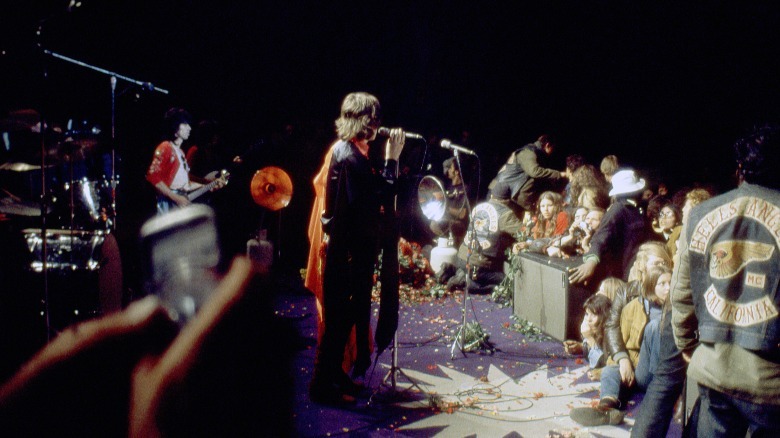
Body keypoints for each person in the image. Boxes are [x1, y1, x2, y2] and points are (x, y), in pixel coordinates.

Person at [671, 124, 780, 437]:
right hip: (770, 384)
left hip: (714, 367)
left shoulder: (702, 212)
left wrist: (689, 345)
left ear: (740, 169)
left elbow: (681, 293)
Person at [309, 92, 405, 406]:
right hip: (346, 254)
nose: (378, 126)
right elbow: (381, 191)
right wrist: (393, 157)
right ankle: (322, 386)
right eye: (374, 120)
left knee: (344, 319)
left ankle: (333, 376)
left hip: (350, 252)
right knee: (339, 321)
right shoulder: (346, 154)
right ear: (365, 121)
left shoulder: (350, 151)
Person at [570, 265, 672, 427]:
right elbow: (621, 339)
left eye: (670, 283)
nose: (668, 288)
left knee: (654, 327)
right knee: (610, 371)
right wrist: (623, 360)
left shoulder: (677, 309)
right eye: (662, 284)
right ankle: (606, 409)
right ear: (652, 285)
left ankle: (656, 393)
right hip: (635, 366)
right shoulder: (634, 308)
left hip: (657, 373)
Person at [569, 169, 657, 286]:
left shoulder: (638, 209)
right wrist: (591, 262)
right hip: (623, 275)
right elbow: (601, 237)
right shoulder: (617, 210)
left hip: (639, 268)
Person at [449, 181, 523, 294]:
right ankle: (468, 283)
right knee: (507, 282)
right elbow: (523, 232)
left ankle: (460, 273)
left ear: (492, 195)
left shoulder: (479, 207)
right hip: (479, 266)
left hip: (462, 258)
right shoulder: (505, 213)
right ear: (508, 200)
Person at [145, 108, 225, 214]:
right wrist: (176, 198)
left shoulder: (181, 152)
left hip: (179, 203)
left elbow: (186, 185)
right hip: (169, 205)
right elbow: (153, 177)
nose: (190, 128)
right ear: (175, 126)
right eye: (185, 124)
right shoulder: (166, 147)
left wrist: (208, 186)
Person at [488, 134, 568, 216]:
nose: (553, 152)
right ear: (547, 145)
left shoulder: (534, 153)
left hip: (506, 192)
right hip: (501, 193)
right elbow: (534, 171)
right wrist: (559, 174)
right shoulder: (528, 152)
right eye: (553, 148)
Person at [563, 293, 612, 381]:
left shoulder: (610, 337)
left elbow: (598, 365)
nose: (588, 319)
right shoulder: (594, 333)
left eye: (593, 315)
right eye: (586, 314)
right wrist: (580, 347)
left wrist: (590, 340)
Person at [429, 156, 469, 247]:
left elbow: (463, 214)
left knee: (435, 224)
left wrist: (445, 207)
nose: (448, 171)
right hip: (448, 222)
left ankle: (451, 242)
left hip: (459, 225)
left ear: (457, 171)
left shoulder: (465, 189)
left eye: (450, 168)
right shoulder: (448, 187)